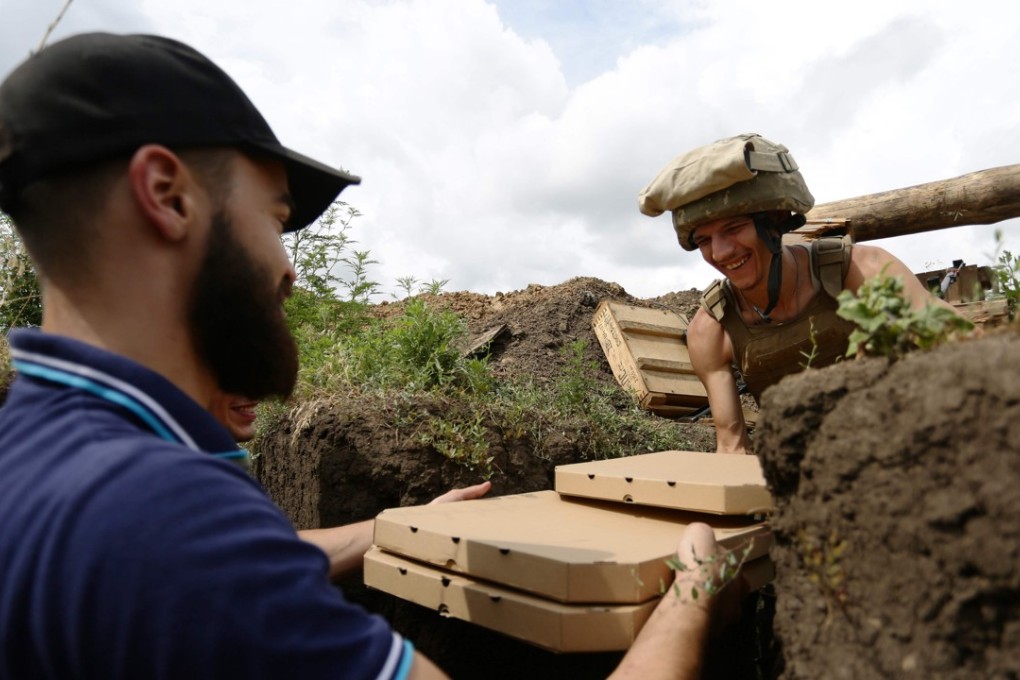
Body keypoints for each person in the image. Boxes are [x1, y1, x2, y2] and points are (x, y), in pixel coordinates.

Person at [0, 33, 741, 679]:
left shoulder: (38, 457)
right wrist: (690, 595)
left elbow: (247, 563)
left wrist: (396, 525)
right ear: (167, 196)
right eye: (276, 219)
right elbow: (204, 564)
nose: (289, 270)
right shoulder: (170, 523)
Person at [639, 133, 959, 455]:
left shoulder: (860, 271)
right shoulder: (713, 329)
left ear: (774, 222)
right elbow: (732, 446)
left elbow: (959, 342)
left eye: (733, 229)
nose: (720, 253)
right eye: (704, 240)